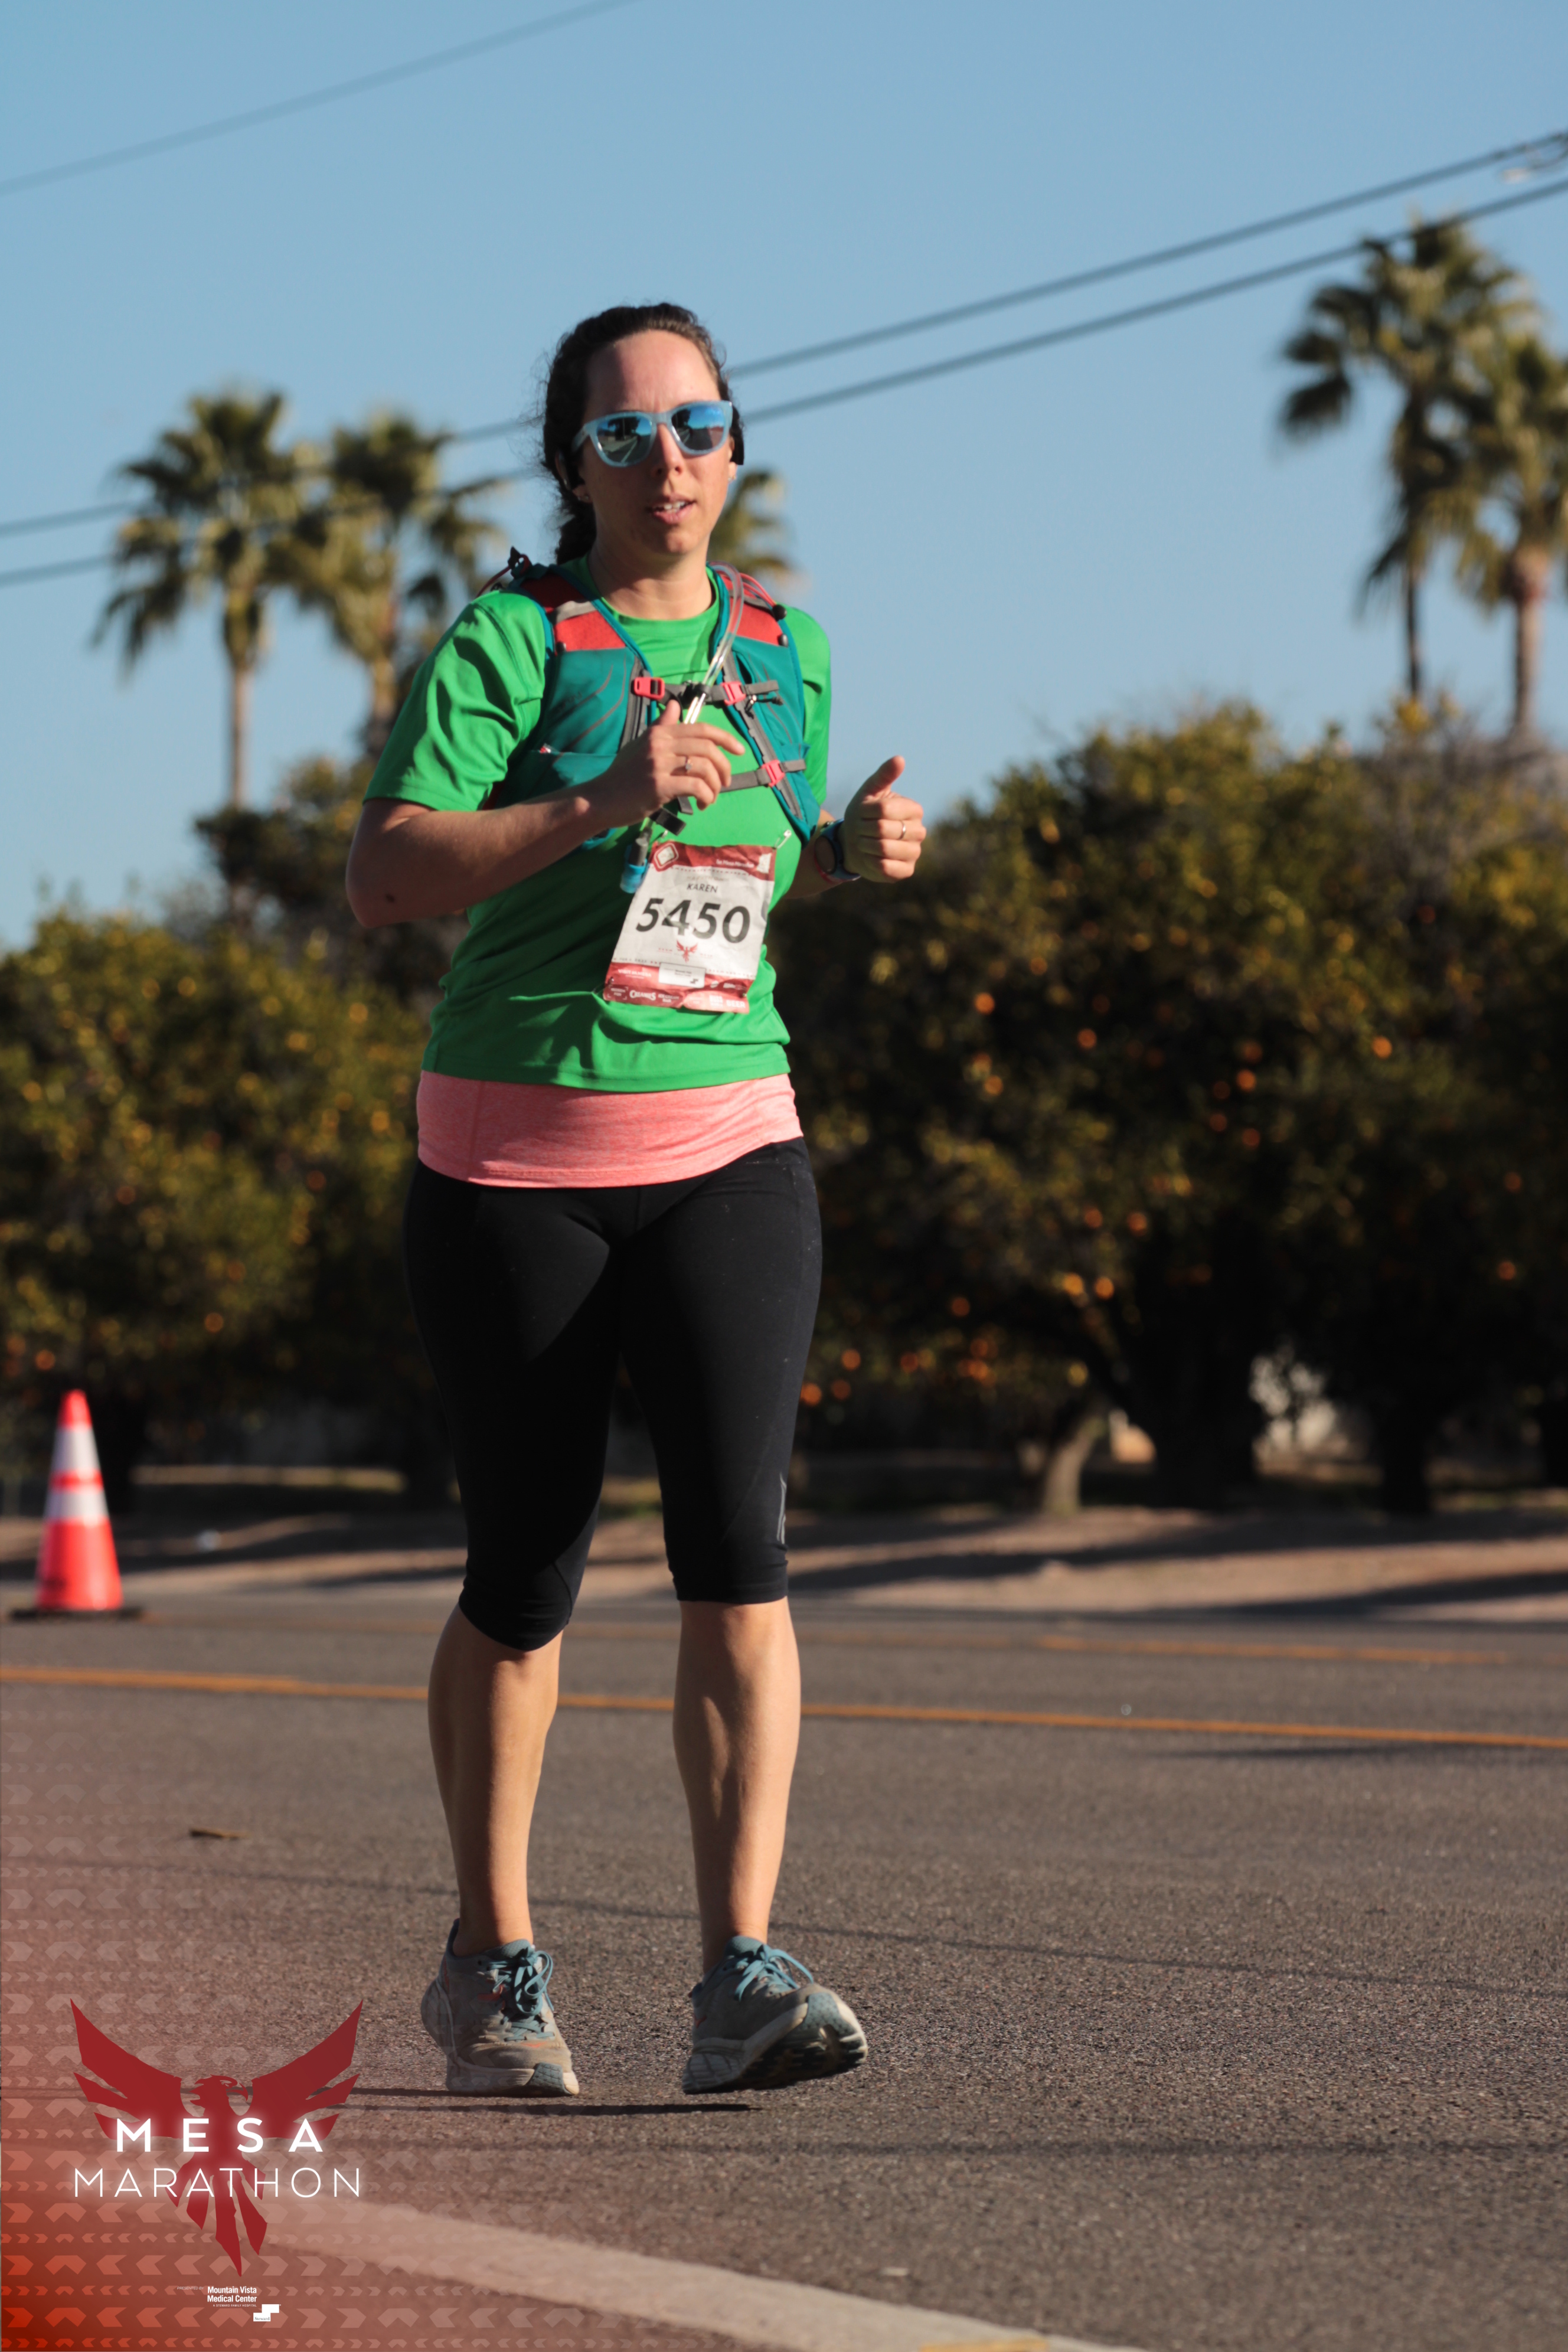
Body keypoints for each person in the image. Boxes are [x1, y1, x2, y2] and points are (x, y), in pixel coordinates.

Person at [346, 302, 926, 2099]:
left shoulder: (783, 644)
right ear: (573, 465)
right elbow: (387, 871)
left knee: (741, 1560)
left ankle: (739, 1976)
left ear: (735, 444)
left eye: (698, 424)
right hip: (515, 1162)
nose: (667, 459)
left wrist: (840, 853)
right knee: (525, 1574)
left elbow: (735, 871)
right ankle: (490, 1964)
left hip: (733, 1139)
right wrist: (601, 794)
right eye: (624, 434)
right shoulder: (515, 639)